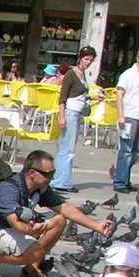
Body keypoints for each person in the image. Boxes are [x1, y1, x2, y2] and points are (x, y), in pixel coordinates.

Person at [0, 150, 114, 277]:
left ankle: (30, 269)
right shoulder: (8, 190)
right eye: (47, 174)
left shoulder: (40, 187)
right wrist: (33, 230)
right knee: (36, 252)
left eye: (53, 173)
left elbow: (65, 208)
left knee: (59, 219)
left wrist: (97, 226)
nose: (51, 178)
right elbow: (16, 224)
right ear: (32, 173)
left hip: (14, 228)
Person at [53, 45, 96, 192]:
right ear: (80, 59)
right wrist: (62, 115)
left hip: (76, 112)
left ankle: (62, 179)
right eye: (86, 59)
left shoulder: (83, 75)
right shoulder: (72, 74)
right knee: (68, 148)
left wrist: (92, 97)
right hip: (70, 112)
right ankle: (61, 182)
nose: (88, 62)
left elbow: (78, 94)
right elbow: (63, 96)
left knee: (68, 147)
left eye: (91, 60)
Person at [113, 47, 139, 193]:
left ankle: (126, 179)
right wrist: (121, 115)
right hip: (129, 116)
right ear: (138, 59)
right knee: (126, 150)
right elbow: (119, 94)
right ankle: (120, 182)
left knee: (136, 151)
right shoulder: (128, 75)